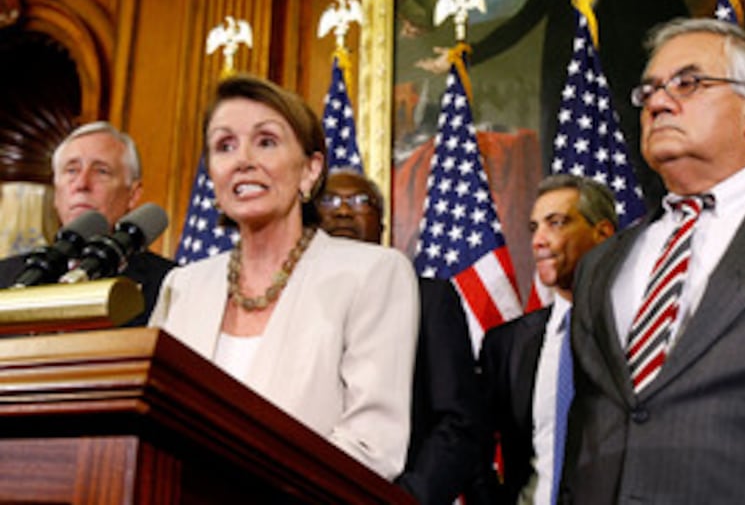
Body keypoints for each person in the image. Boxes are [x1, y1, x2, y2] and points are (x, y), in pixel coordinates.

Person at [148, 74, 419, 481]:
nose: (242, 159)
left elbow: (371, 446)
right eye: (225, 146)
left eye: (266, 141)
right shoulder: (183, 287)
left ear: (310, 170)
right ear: (212, 174)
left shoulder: (373, 274)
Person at [563, 18, 745, 504]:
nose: (657, 102)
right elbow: (588, 424)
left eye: (689, 83)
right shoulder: (601, 264)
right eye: (649, 89)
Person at [317, 170, 491, 504]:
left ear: (382, 226)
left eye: (359, 202)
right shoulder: (295, 304)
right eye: (329, 200)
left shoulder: (429, 299)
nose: (342, 211)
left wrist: (404, 499)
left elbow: (457, 422)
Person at [479, 174, 616, 504]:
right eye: (534, 228)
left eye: (556, 223)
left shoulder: (636, 333)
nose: (538, 240)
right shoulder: (507, 345)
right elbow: (474, 447)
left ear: (603, 234)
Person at [0, 121, 175, 326]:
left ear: (132, 195)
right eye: (71, 170)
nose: (82, 184)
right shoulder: (6, 277)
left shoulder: (169, 284)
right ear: (56, 194)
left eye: (101, 171)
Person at [318, 168, 384, 243]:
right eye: (327, 200)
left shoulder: (392, 255)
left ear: (380, 227)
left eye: (360, 201)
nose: (343, 212)